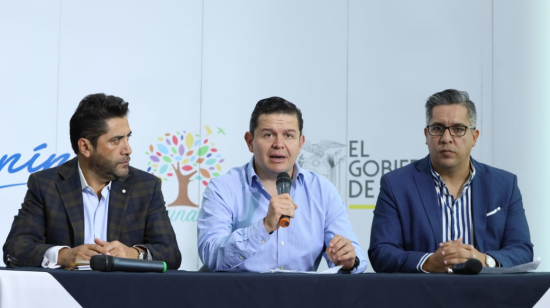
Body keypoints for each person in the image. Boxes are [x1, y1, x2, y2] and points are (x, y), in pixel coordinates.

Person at [3, 93, 181, 269]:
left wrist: (134, 254)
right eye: (116, 140)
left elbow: (171, 253)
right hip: (63, 293)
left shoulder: (146, 186)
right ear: (85, 147)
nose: (128, 149)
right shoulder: (45, 185)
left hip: (126, 292)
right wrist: (64, 256)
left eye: (128, 138)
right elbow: (15, 250)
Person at [368, 89, 533, 273]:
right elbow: (381, 251)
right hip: (421, 297)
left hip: (488, 298)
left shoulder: (504, 185)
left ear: (474, 137)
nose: (446, 139)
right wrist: (428, 262)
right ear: (426, 135)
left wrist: (483, 260)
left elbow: (522, 249)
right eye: (437, 128)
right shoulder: (396, 185)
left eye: (458, 129)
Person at [198, 96, 366, 273]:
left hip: (303, 297)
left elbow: (357, 259)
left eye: (288, 135)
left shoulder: (322, 190)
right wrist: (264, 227)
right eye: (268, 135)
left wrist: (349, 260)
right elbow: (211, 255)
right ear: (250, 141)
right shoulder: (223, 188)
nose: (279, 144)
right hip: (241, 295)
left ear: (300, 143)